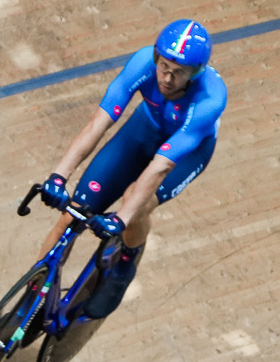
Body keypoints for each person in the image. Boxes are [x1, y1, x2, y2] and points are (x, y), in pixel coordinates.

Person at [37, 19, 226, 319]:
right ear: (155, 57)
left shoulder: (210, 100)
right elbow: (97, 124)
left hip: (187, 153)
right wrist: (58, 176)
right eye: (164, 66)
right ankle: (31, 296)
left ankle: (125, 262)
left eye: (179, 73)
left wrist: (121, 220)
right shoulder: (142, 64)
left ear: (197, 73)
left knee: (136, 202)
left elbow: (162, 165)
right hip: (145, 128)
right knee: (73, 212)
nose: (167, 78)